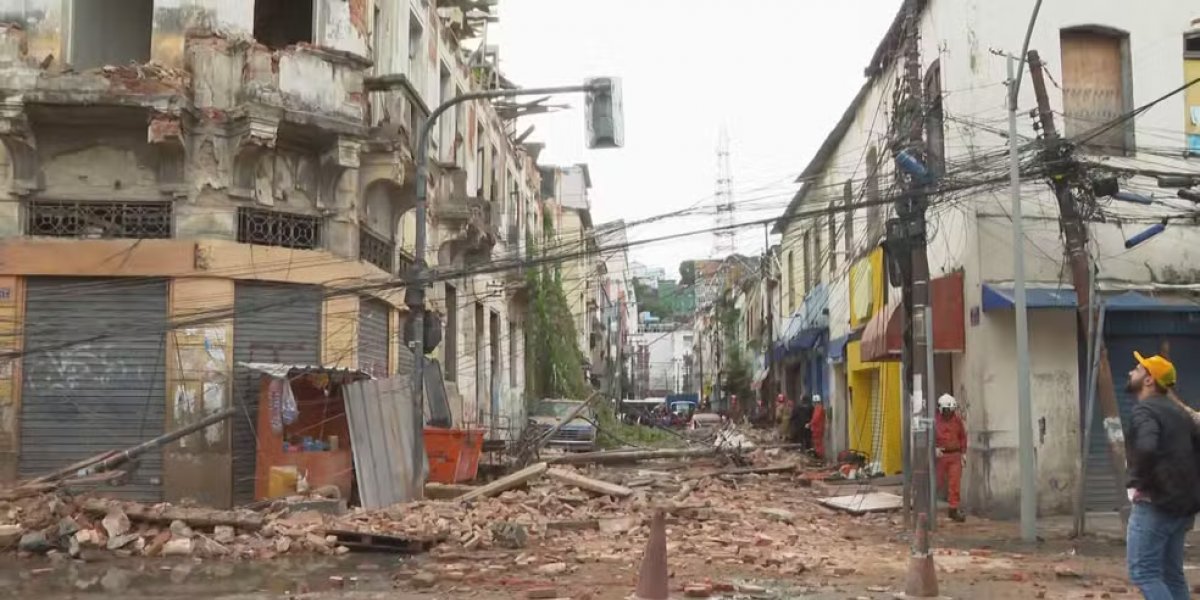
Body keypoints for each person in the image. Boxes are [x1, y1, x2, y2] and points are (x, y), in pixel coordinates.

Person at [1124, 351, 1200, 599]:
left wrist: (1136, 483)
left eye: (1137, 369)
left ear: (1148, 380)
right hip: (1183, 505)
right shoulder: (1182, 414)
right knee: (1171, 574)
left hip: (1156, 503)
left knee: (1143, 572)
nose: (1130, 372)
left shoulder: (1145, 411)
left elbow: (1146, 446)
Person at [935, 393, 968, 523]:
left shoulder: (957, 420)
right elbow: (929, 437)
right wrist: (934, 448)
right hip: (941, 456)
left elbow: (962, 436)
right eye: (947, 410)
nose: (949, 413)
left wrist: (963, 453)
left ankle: (953, 509)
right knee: (937, 482)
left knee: (954, 484)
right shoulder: (935, 421)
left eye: (951, 410)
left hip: (955, 455)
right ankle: (929, 507)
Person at [808, 395, 826, 459]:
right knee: (818, 444)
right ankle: (820, 456)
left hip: (817, 429)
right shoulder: (819, 408)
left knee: (818, 444)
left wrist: (809, 424)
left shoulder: (818, 408)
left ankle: (820, 457)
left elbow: (815, 418)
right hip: (818, 429)